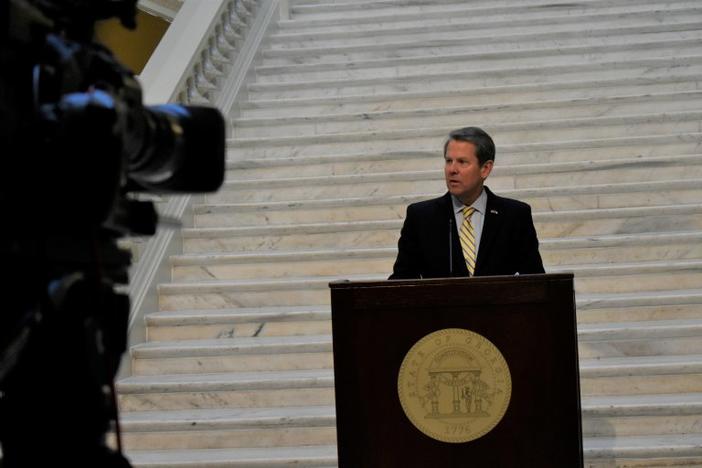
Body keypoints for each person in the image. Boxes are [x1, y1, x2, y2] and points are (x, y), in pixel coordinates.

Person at [389, 126, 545, 279]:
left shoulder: (514, 216)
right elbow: (401, 282)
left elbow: (536, 282)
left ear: (485, 169)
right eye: (449, 161)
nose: (452, 169)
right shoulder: (421, 217)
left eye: (462, 162)